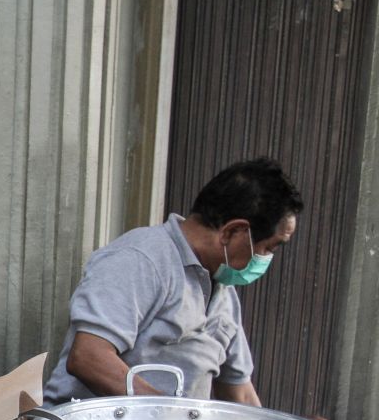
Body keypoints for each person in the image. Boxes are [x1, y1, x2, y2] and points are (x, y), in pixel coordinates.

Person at [43, 158, 303, 405]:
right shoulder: (140, 259)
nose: (266, 259)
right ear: (233, 231)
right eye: (269, 248)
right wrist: (171, 418)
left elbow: (241, 393)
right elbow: (89, 357)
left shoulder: (223, 292)